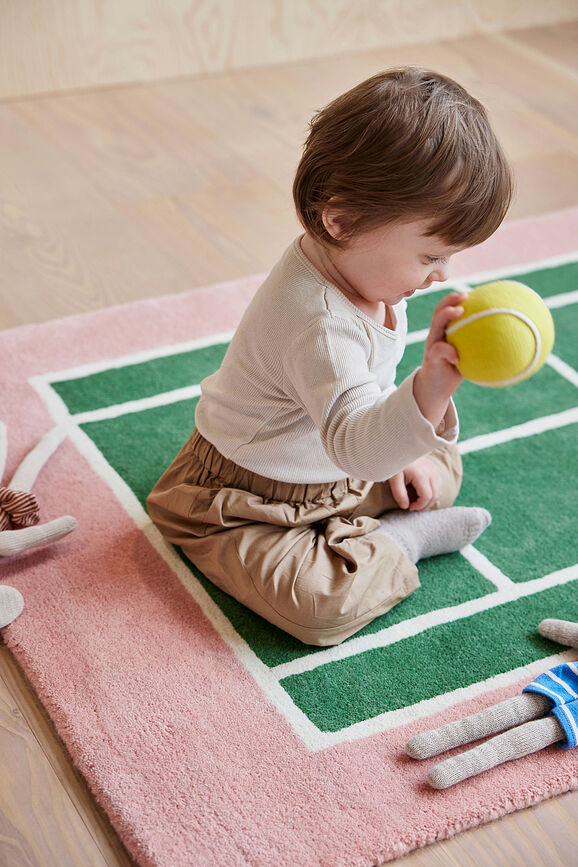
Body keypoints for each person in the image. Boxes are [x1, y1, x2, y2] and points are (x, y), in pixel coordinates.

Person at [147, 67, 513, 647]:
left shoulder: (364, 270)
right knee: (320, 609)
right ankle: (404, 542)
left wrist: (399, 456)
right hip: (245, 499)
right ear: (340, 221)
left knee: (438, 463)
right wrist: (431, 388)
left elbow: (366, 403)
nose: (442, 275)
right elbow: (357, 436)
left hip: (339, 464)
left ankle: (369, 521)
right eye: (430, 256)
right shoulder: (317, 325)